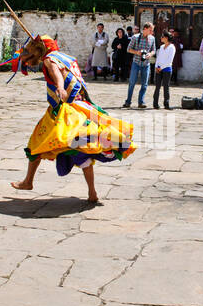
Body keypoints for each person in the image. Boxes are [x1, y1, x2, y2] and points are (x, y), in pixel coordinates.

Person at [11, 34, 135, 201]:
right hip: (82, 106)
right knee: (83, 151)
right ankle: (92, 193)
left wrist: (60, 88)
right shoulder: (67, 58)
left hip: (65, 111)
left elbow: (56, 71)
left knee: (36, 143)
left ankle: (28, 181)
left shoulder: (49, 59)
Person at [123, 22, 156, 108]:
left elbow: (154, 50)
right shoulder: (135, 37)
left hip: (146, 63)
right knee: (132, 82)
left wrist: (150, 54)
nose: (152, 32)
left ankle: (141, 102)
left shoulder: (152, 38)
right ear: (145, 29)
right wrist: (137, 52)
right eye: (150, 30)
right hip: (136, 63)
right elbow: (128, 49)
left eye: (152, 30)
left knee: (144, 84)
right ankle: (128, 101)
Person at [153, 32, 176, 109]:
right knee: (157, 86)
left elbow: (169, 60)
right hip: (159, 69)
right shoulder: (162, 47)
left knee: (166, 86)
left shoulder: (172, 47)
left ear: (166, 38)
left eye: (162, 37)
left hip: (167, 69)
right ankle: (155, 103)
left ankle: (166, 103)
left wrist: (161, 67)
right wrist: (156, 66)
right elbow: (158, 57)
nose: (161, 38)